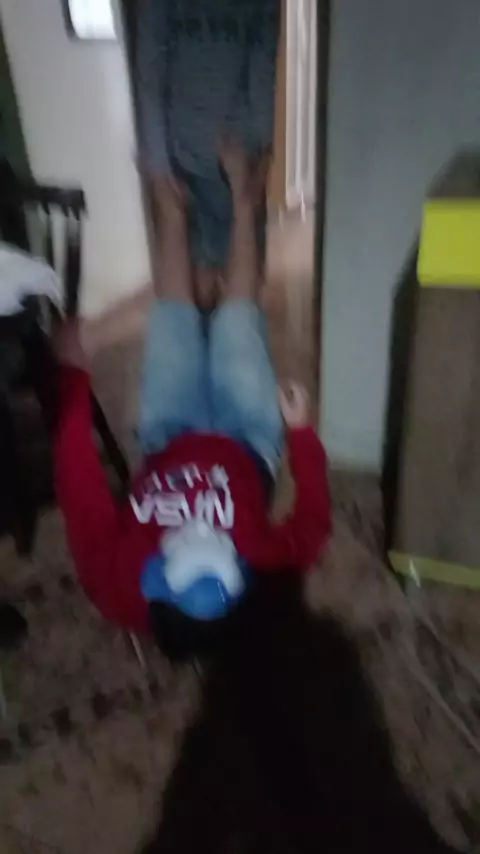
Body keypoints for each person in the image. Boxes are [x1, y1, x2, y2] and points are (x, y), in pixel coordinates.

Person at [52, 139, 331, 659]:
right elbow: (313, 525)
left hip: (169, 434)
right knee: (237, 318)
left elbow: (79, 485)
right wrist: (302, 434)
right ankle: (245, 199)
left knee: (174, 315)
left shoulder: (114, 585)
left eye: (184, 540)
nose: (199, 527)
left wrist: (74, 374)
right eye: (217, 540)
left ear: (156, 579)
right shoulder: (263, 572)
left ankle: (173, 209)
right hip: (246, 437)